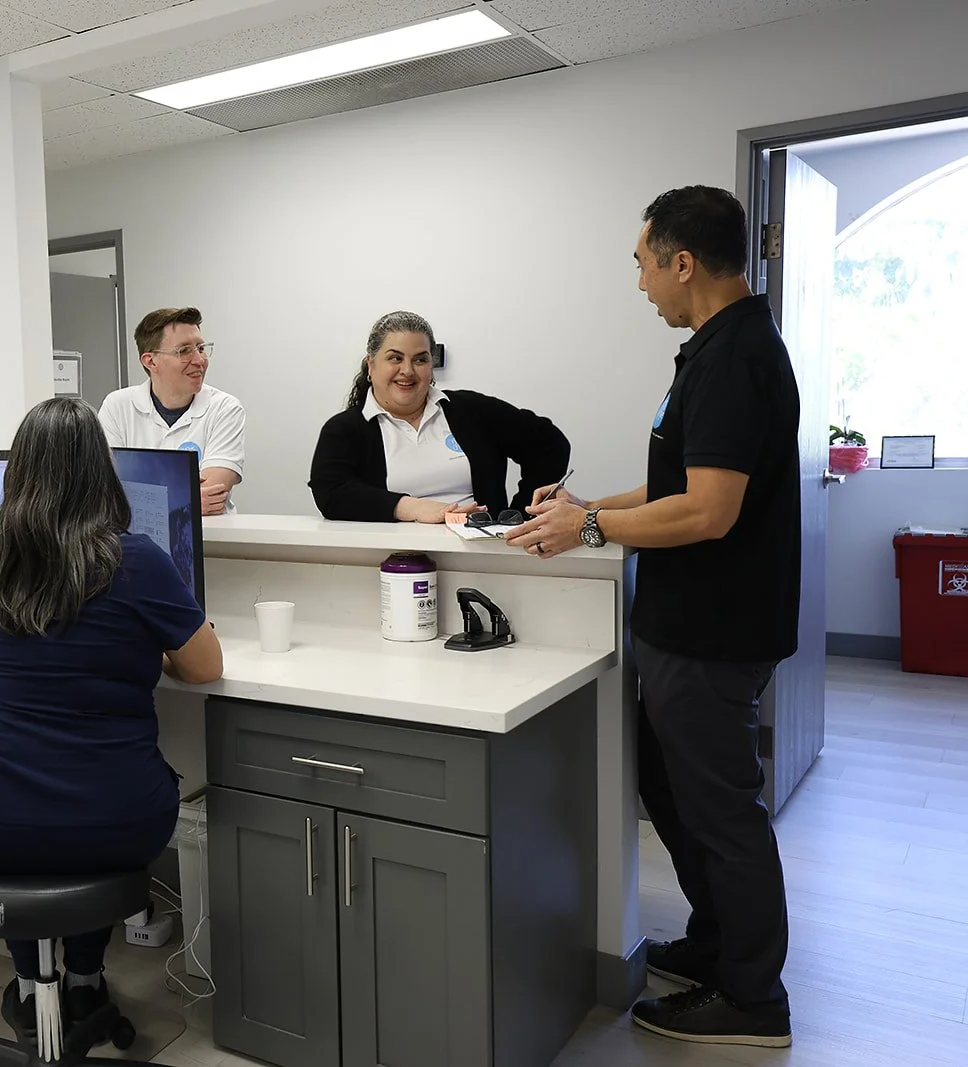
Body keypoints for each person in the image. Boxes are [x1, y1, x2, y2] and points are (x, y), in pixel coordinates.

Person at [506, 186, 800, 1048]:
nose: (640, 284)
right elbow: (679, 485)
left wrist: (590, 526)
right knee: (671, 789)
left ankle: (754, 998)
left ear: (680, 262)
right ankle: (718, 944)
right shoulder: (713, 349)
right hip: (684, 628)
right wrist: (593, 503)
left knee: (721, 810)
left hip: (713, 634)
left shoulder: (737, 356)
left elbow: (708, 511)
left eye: (642, 264)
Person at [0, 396, 224, 1044]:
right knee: (83, 817)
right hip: (112, 819)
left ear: (18, 474)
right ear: (101, 473)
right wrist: (158, 643)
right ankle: (85, 978)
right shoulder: (136, 558)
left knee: (29, 829)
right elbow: (204, 666)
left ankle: (37, 984)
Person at [308, 311, 569, 522]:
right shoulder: (344, 429)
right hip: (393, 560)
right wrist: (415, 509)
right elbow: (332, 494)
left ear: (431, 366)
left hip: (481, 556)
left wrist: (520, 516)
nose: (407, 371)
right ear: (371, 364)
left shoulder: (472, 410)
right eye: (395, 358)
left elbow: (549, 444)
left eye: (420, 360)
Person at [97, 306, 246, 515]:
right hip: (134, 541)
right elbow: (105, 491)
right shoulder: (118, 406)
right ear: (151, 361)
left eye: (201, 348)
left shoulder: (224, 408)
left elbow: (213, 492)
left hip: (209, 540)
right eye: (184, 351)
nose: (199, 360)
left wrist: (137, 496)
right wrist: (188, 500)